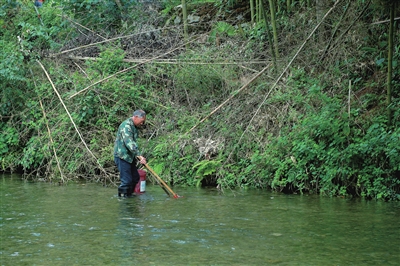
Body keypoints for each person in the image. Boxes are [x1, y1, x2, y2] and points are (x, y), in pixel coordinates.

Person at [114, 110, 147, 197]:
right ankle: (123, 199)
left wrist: (137, 156)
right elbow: (129, 142)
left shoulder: (134, 126)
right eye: (142, 121)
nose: (142, 123)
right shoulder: (126, 126)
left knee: (135, 178)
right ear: (135, 117)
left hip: (130, 157)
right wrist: (139, 156)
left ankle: (129, 195)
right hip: (122, 156)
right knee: (126, 181)